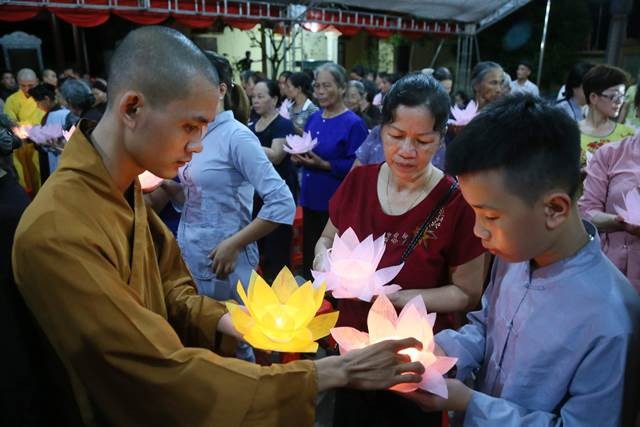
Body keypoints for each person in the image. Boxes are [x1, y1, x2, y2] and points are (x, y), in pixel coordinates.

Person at [12, 26, 425, 426]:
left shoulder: (117, 188)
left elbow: (171, 290)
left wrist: (236, 322)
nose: (197, 146)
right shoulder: (57, 228)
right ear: (132, 108)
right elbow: (152, 368)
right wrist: (328, 373)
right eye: (190, 127)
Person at [401, 93, 640, 425]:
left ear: (555, 209)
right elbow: (487, 325)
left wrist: (472, 403)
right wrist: (442, 353)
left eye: (490, 217)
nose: (477, 231)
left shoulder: (611, 320)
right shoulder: (517, 253)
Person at [315, 73, 487, 427]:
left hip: (411, 362)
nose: (407, 151)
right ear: (380, 131)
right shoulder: (360, 181)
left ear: (441, 138)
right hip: (352, 354)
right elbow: (325, 238)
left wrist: (391, 297)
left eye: (423, 141)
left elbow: (466, 294)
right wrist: (322, 262)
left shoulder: (457, 202)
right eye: (396, 136)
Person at [293, 63, 368, 279]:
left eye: (327, 85)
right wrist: (299, 156)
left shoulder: (353, 124)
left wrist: (325, 165)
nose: (321, 91)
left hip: (336, 203)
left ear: (342, 88)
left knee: (333, 260)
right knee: (310, 256)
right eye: (317, 86)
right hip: (309, 197)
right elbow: (307, 147)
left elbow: (359, 169)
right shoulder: (315, 118)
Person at [579, 88, 640, 291]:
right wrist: (618, 222)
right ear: (638, 110)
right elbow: (586, 212)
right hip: (611, 274)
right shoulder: (611, 154)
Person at [248, 79, 298, 281]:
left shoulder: (283, 124)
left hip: (279, 187)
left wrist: (247, 144)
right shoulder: (251, 124)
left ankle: (280, 283)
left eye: (261, 96)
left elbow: (277, 155)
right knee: (258, 239)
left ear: (275, 98)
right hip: (255, 189)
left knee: (277, 240)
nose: (256, 101)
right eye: (253, 97)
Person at [579, 64, 635, 165]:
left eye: (622, 96)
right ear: (593, 97)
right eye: (614, 96)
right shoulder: (571, 132)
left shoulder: (628, 136)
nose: (619, 101)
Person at [4, 68, 43, 196]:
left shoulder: (43, 97)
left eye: (30, 85)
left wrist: (24, 125)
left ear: (37, 82)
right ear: (18, 83)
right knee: (23, 175)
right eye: (23, 86)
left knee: (39, 173)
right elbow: (10, 121)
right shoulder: (11, 100)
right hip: (20, 144)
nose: (26, 89)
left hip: (39, 143)